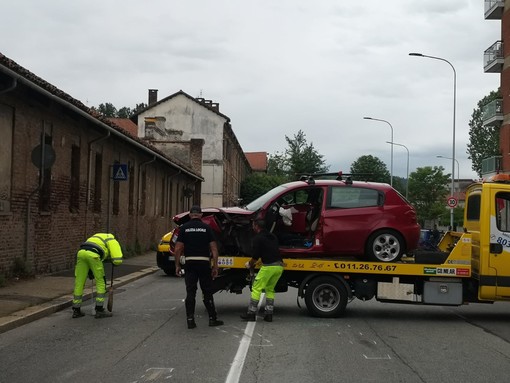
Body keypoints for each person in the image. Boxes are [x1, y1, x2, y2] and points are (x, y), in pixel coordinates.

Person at [174, 205, 224, 329]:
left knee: (190, 291)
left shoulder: (184, 228)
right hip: (203, 263)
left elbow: (178, 248)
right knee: (207, 291)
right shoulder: (207, 228)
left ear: (190, 215)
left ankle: (190, 320)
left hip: (190, 263)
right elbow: (214, 249)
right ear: (201, 215)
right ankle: (212, 319)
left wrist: (177, 265)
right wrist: (215, 266)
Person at [240, 219, 284, 322]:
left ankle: (251, 314)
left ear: (256, 226)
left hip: (268, 266)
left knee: (256, 288)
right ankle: (269, 314)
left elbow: (255, 257)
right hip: (279, 266)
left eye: (253, 225)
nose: (252, 227)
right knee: (270, 289)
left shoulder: (257, 238)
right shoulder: (273, 236)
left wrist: (249, 264)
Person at [72, 233, 123, 319]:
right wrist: (114, 262)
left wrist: (90, 272)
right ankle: (99, 309)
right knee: (101, 281)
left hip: (81, 253)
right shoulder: (112, 239)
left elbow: (88, 252)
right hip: (94, 255)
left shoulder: (97, 236)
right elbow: (117, 259)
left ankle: (76, 310)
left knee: (79, 282)